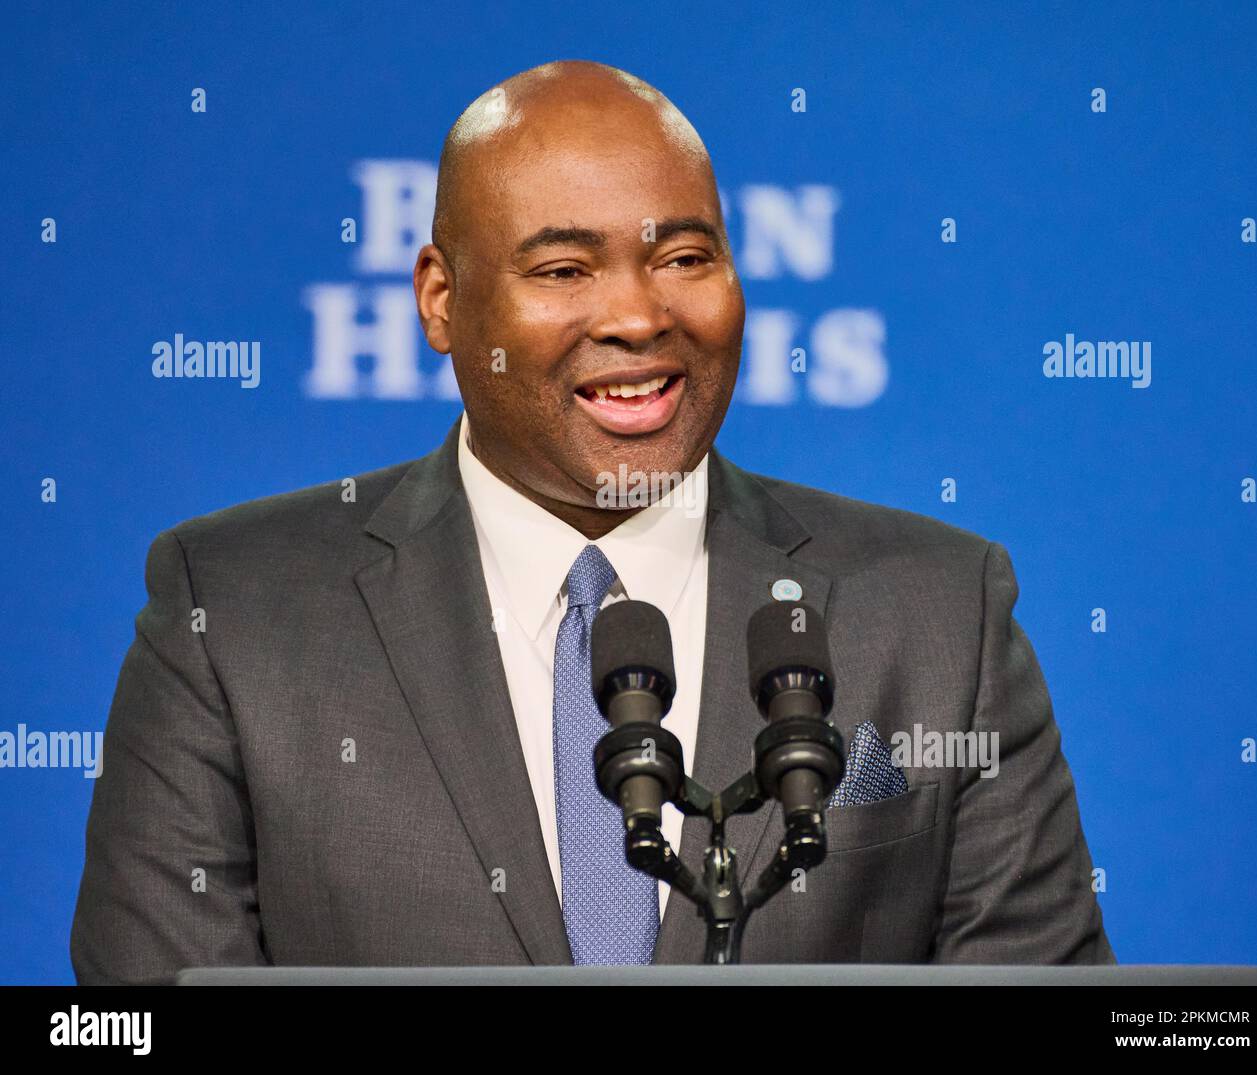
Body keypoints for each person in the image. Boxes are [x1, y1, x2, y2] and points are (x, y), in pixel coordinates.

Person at [71, 60, 1113, 984]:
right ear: (441, 299)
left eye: (685, 258)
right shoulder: (234, 610)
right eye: (564, 269)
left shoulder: (937, 609)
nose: (638, 315)